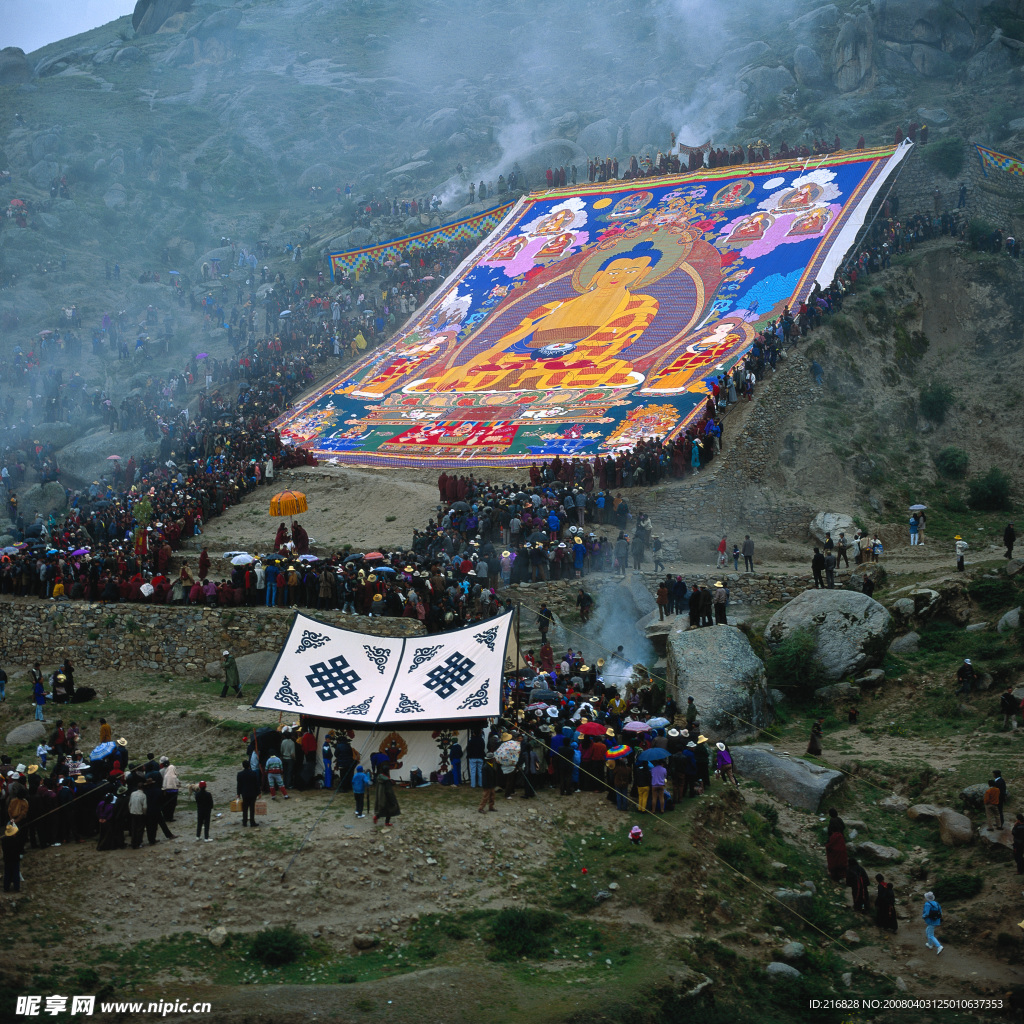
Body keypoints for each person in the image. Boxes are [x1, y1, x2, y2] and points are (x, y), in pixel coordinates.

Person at [236, 758, 261, 827]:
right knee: (252, 808)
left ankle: (244, 822)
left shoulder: (240, 774)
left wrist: (238, 793)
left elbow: (239, 785)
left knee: (245, 809)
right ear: (249, 765)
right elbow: (257, 784)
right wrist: (259, 792)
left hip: (244, 793)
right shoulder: (253, 773)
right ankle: (252, 822)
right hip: (253, 793)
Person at [2, 822, 21, 893]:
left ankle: (6, 887)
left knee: (7, 874)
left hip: (7, 859)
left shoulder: (4, 840)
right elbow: (19, 849)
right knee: (16, 873)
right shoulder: (16, 840)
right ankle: (16, 887)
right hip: (15, 859)